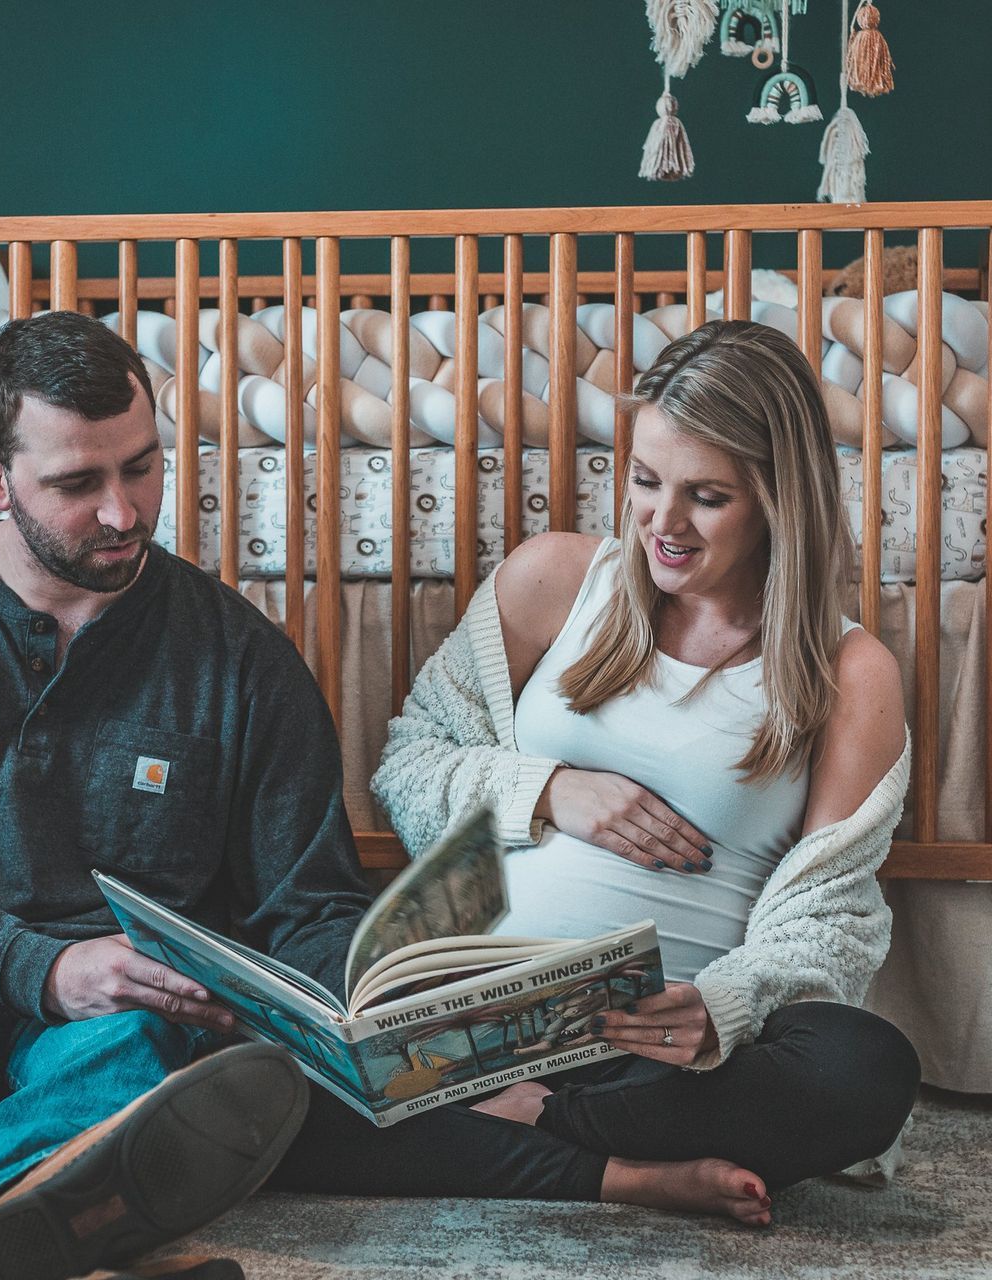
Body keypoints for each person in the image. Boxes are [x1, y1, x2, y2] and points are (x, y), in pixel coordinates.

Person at [0, 310, 372, 1280]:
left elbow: (307, 902)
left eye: (142, 467)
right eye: (77, 484)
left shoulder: (241, 657)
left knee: (137, 1057)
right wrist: (46, 969)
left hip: (117, 1013)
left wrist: (385, 1009)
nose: (124, 512)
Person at [371, 319, 923, 1227]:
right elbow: (411, 763)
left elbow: (830, 921)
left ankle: (534, 1128)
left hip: (660, 1061)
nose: (662, 523)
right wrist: (549, 791)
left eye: (707, 497)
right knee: (261, 1056)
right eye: (643, 480)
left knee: (864, 1068)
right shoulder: (554, 581)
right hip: (479, 1021)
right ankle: (634, 1175)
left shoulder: (848, 672)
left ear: (778, 500)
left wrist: (720, 1010)